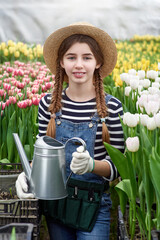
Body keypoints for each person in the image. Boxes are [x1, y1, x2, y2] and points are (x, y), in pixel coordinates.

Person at [16, 22, 124, 240]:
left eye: (87, 57)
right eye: (71, 57)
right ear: (61, 63)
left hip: (93, 204)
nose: (79, 64)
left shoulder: (111, 107)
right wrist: (27, 173)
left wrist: (92, 165)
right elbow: (42, 155)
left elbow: (118, 168)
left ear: (98, 62)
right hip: (56, 201)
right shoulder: (49, 104)